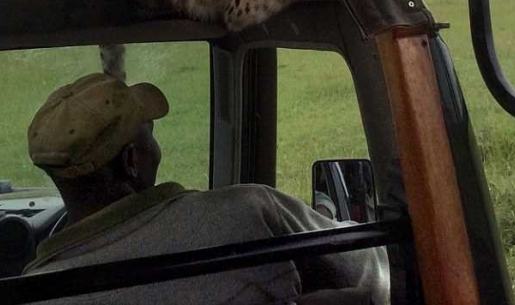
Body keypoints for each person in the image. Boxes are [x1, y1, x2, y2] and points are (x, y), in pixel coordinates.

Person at [23, 73, 390, 305]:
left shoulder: (33, 292)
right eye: (150, 135)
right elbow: (378, 277)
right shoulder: (246, 211)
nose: (156, 147)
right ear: (131, 162)